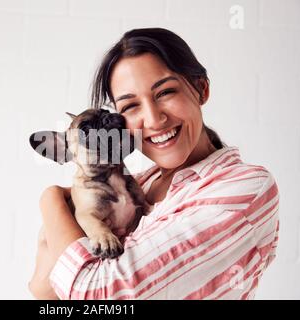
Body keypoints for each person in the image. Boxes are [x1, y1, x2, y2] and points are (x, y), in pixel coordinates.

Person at [28, 28, 279, 300]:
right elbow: (44, 291)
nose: (153, 118)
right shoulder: (137, 182)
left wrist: (50, 198)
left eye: (165, 92)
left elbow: (98, 295)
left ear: (201, 89)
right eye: (130, 106)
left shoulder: (243, 188)